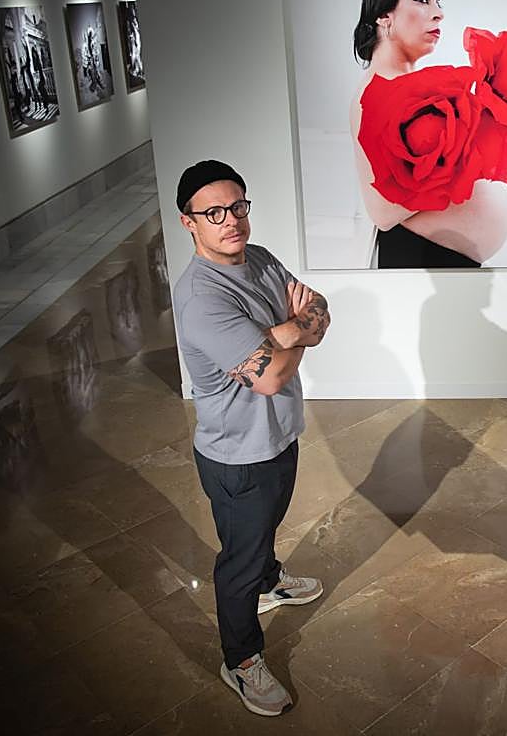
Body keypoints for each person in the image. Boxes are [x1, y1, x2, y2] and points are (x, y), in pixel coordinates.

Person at [173, 160, 330, 717]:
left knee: (265, 529)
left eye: (237, 206)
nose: (230, 220)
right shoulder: (202, 299)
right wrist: (293, 331)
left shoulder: (258, 259)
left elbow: (318, 308)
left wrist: (290, 330)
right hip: (237, 455)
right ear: (189, 222)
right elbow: (269, 376)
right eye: (213, 212)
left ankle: (269, 580)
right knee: (236, 561)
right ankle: (240, 660)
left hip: (277, 436)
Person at [350, 0, 507, 268]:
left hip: (436, 260)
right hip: (421, 259)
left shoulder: (397, 87)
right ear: (385, 16)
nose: (438, 14)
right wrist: (461, 163)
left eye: (439, 3)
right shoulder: (377, 92)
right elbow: (383, 211)